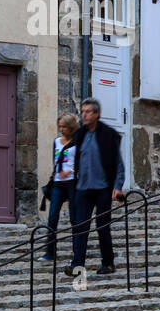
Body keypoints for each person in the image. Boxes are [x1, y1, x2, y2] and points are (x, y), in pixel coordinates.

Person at [66, 97, 125, 277]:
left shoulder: (108, 134)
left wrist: (118, 185)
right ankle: (77, 265)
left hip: (102, 189)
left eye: (88, 112)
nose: (83, 115)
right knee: (80, 227)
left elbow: (118, 163)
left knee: (102, 226)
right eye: (82, 112)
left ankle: (108, 263)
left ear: (97, 114)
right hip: (83, 189)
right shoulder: (80, 134)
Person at [41, 114, 79, 262]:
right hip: (57, 183)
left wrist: (71, 171)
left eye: (64, 127)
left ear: (71, 128)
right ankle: (50, 253)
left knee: (74, 219)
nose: (61, 129)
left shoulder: (77, 143)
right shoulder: (56, 141)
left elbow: (82, 163)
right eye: (60, 126)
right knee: (52, 217)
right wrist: (58, 173)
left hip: (72, 183)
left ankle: (77, 253)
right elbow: (55, 162)